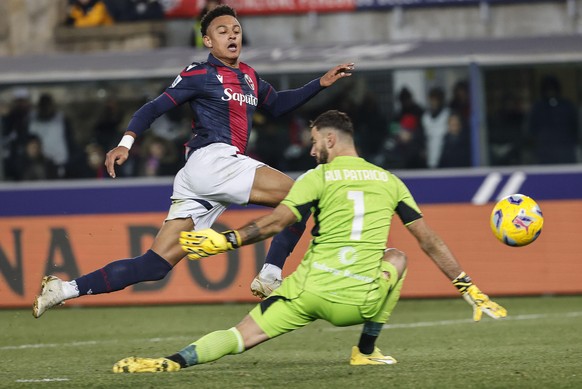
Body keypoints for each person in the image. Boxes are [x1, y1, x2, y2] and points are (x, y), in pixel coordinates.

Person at [111, 110, 507, 373]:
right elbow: (430, 241)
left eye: (315, 141)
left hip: (306, 293)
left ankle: (171, 362)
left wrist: (225, 240)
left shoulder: (316, 179)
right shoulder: (390, 181)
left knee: (239, 337)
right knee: (398, 256)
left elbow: (273, 223)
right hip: (358, 302)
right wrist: (467, 287)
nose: (311, 148)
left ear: (331, 141)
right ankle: (365, 351)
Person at [32, 5, 354, 318]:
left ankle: (64, 289)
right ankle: (270, 274)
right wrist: (125, 143)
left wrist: (319, 84)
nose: (232, 36)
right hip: (212, 161)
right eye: (223, 31)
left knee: (154, 265)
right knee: (301, 196)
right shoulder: (200, 73)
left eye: (237, 30)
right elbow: (153, 107)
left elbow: (279, 104)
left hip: (205, 176)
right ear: (208, 41)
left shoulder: (250, 78)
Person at [528, 75, 578, 164]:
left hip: (566, 149)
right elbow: (531, 129)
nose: (550, 91)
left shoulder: (567, 106)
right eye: (547, 88)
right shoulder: (538, 107)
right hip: (544, 150)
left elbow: (576, 127)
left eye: (552, 88)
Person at [422, 87, 450, 169]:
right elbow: (424, 136)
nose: (434, 102)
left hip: (445, 155)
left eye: (436, 99)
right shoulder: (425, 116)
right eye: (432, 99)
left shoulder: (447, 114)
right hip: (430, 155)